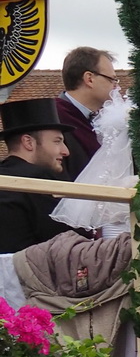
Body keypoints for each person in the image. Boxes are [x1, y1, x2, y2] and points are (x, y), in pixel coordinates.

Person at [0, 98, 77, 254]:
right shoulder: (40, 177)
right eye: (57, 141)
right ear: (28, 142)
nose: (65, 151)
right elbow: (64, 242)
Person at [55, 47, 116, 181]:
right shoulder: (54, 118)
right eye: (111, 79)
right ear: (89, 79)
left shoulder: (102, 120)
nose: (116, 87)